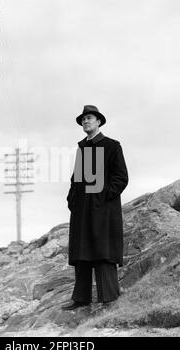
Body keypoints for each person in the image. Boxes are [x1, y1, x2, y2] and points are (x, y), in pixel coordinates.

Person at [62, 105, 129, 311]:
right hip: (82, 211)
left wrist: (102, 196)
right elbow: (77, 180)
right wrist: (72, 200)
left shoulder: (111, 146)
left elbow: (121, 178)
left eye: (89, 118)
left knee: (103, 250)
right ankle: (81, 299)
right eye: (83, 119)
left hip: (104, 211)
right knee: (82, 251)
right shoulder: (83, 147)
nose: (86, 121)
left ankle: (109, 298)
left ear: (98, 121)